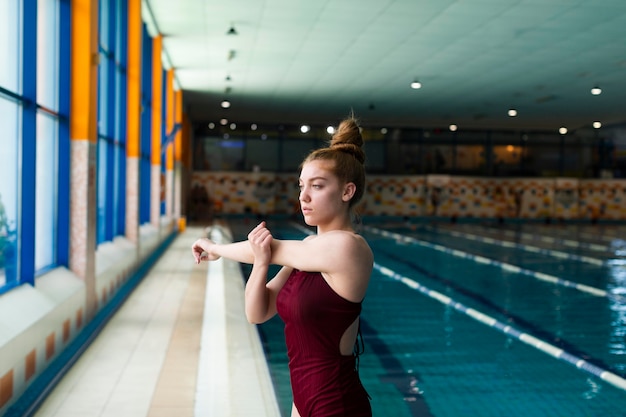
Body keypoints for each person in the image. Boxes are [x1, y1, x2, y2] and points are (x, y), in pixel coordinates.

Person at [191, 116, 373, 417]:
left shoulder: (349, 247)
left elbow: (272, 247)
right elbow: (256, 313)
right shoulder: (304, 255)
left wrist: (215, 248)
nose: (303, 196)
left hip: (337, 403)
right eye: (301, 186)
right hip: (302, 401)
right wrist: (261, 263)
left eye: (317, 186)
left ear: (347, 192)